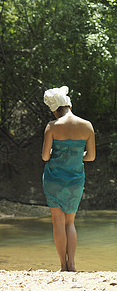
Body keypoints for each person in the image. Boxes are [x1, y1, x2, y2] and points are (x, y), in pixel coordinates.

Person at [42, 86, 95, 272]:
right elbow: (91, 157)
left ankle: (62, 266)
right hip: (75, 179)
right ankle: (72, 264)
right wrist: (76, 156)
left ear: (56, 109)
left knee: (57, 221)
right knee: (70, 222)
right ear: (69, 104)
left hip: (54, 179)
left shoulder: (52, 126)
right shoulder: (87, 126)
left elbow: (45, 157)